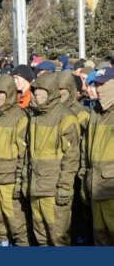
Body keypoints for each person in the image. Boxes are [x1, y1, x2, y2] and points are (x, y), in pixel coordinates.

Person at [30, 73, 80, 245]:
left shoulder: (66, 117)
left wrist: (65, 187)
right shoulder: (35, 116)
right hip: (36, 187)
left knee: (58, 237)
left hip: (54, 189)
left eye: (41, 91)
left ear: (51, 92)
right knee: (41, 235)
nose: (36, 94)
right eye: (35, 90)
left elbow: (71, 157)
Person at [0, 75, 30, 247]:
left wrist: (19, 180)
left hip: (10, 181)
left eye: (2, 93)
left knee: (16, 224)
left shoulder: (20, 117)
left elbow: (24, 154)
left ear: (10, 93)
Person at [58, 71, 92, 245]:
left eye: (62, 89)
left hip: (77, 172)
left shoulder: (82, 113)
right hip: (59, 172)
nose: (58, 92)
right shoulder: (54, 112)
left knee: (78, 213)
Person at [85, 68, 114, 245]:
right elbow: (85, 150)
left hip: (111, 189)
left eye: (102, 84)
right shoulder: (95, 112)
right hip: (95, 187)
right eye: (96, 84)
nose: (97, 88)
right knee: (100, 237)